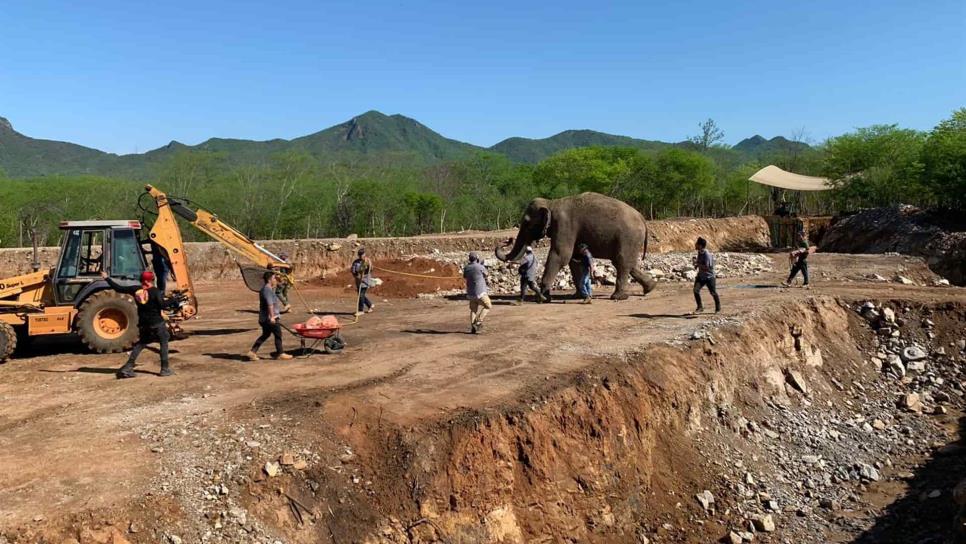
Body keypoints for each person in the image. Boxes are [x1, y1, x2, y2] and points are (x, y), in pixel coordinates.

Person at [99, 270, 180, 378]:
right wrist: (174, 300)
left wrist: (107, 278)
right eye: (152, 279)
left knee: (141, 343)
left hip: (144, 323)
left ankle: (128, 367)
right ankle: (165, 369)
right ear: (149, 281)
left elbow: (118, 288)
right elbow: (162, 305)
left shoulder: (135, 289)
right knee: (164, 342)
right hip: (157, 323)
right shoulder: (155, 292)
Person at [246, 271, 292, 361]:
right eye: (274, 278)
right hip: (269, 318)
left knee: (265, 334)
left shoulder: (267, 289)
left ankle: (252, 352)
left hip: (264, 318)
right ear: (270, 279)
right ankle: (280, 353)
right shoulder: (267, 290)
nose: (275, 280)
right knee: (278, 334)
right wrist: (272, 317)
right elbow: (269, 304)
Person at [463, 252, 491, 334]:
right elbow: (486, 274)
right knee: (488, 306)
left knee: (473, 310)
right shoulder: (480, 267)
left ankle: (473, 327)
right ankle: (478, 322)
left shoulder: (467, 267)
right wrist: (481, 265)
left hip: (471, 293)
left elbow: (465, 276)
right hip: (480, 292)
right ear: (477, 258)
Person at [692, 237, 721, 314]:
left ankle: (718, 308)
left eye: (697, 244)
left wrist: (697, 264)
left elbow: (707, 267)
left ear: (700, 245)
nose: (695, 245)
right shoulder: (699, 253)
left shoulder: (707, 254)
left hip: (709, 277)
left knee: (713, 292)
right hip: (701, 276)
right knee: (696, 290)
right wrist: (696, 264)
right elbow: (699, 264)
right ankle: (700, 307)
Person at [351, 247, 374, 316]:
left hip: (365, 281)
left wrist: (368, 265)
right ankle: (370, 305)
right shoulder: (356, 262)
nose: (361, 256)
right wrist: (357, 276)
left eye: (362, 255)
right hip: (358, 281)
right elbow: (353, 271)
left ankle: (360, 310)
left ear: (364, 254)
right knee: (361, 295)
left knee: (361, 295)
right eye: (360, 255)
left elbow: (370, 269)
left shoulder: (367, 261)